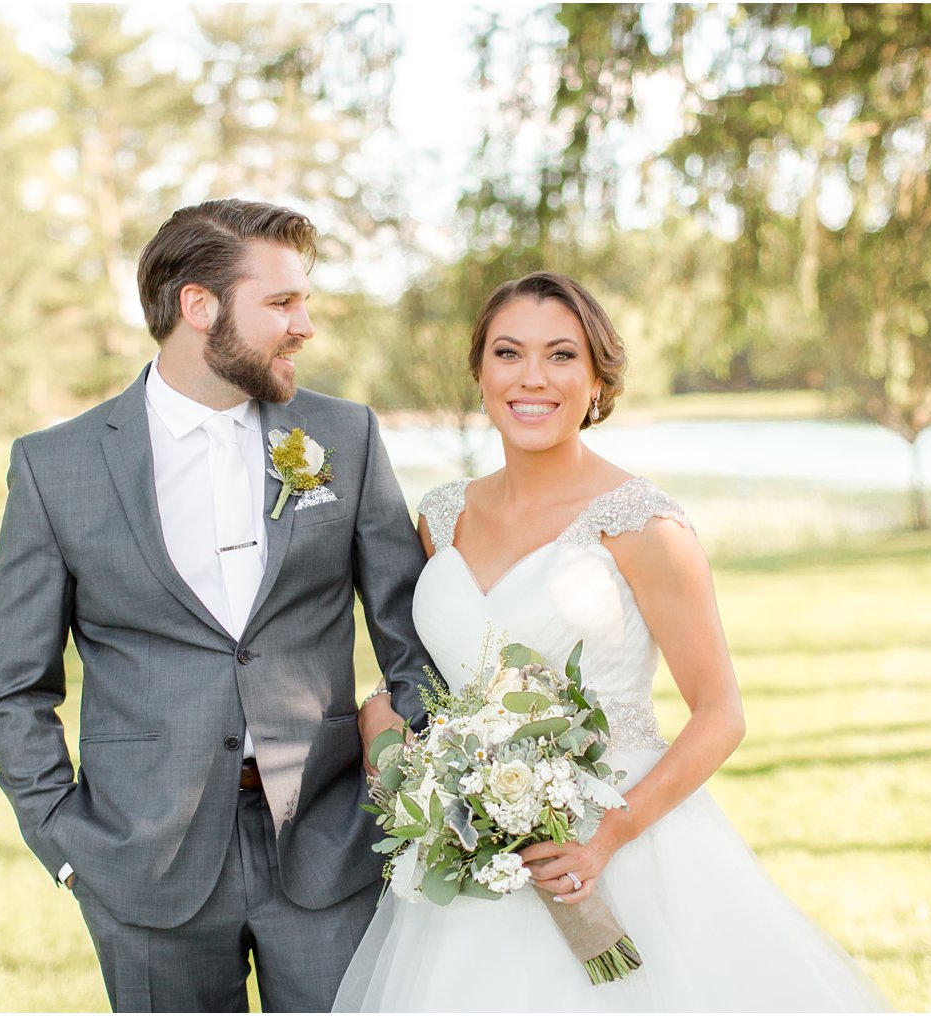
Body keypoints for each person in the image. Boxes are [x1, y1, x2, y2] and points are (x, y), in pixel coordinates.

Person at [333, 272, 889, 1011]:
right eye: (509, 353)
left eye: (561, 355)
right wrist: (381, 716)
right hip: (470, 860)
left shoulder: (643, 523)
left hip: (619, 842)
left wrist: (606, 838)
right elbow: (426, 671)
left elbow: (721, 713)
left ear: (598, 380)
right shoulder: (440, 515)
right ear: (480, 374)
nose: (533, 377)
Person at [0, 198, 430, 1013]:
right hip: (139, 863)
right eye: (282, 303)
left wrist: (409, 784)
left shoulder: (345, 437)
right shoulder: (56, 466)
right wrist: (67, 844)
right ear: (199, 306)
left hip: (331, 847)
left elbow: (410, 636)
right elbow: (14, 687)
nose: (305, 326)